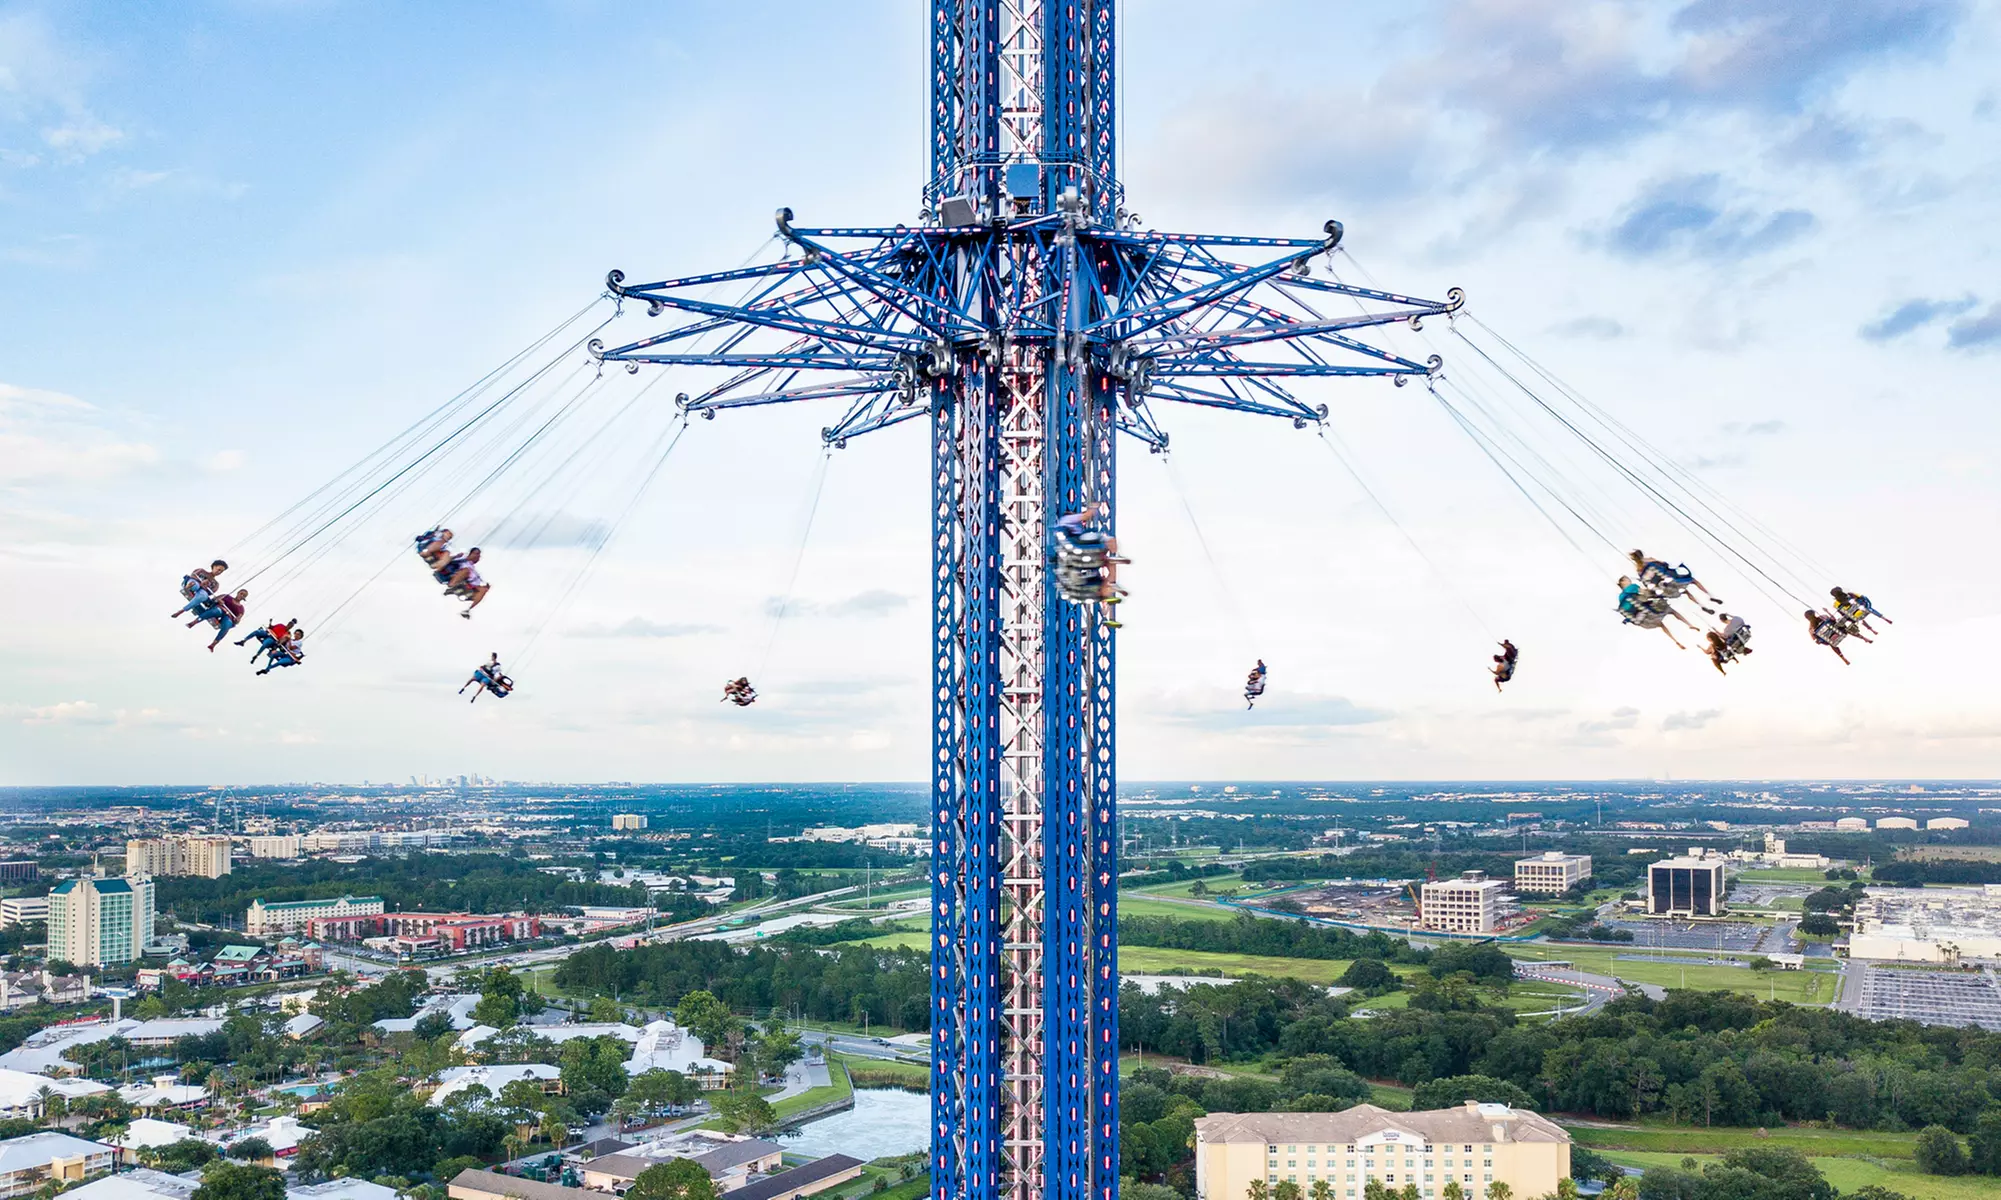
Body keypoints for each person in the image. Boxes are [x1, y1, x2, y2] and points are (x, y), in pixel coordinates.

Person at [445, 547, 491, 618]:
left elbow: (476, 582)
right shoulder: (463, 559)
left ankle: (468, 610)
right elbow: (450, 561)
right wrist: (461, 557)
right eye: (476, 554)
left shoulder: (473, 568)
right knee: (466, 571)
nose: (477, 556)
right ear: (470, 554)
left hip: (469, 585)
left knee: (483, 590)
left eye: (478, 555)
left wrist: (485, 587)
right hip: (460, 577)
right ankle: (452, 586)